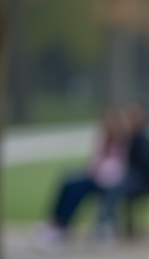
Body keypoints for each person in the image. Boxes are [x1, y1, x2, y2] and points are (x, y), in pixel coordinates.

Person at [35, 106, 130, 251]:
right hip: (95, 176)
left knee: (77, 188)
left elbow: (117, 167)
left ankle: (60, 226)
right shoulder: (103, 138)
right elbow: (94, 161)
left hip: (107, 181)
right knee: (68, 180)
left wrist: (97, 173)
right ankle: (55, 222)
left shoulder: (122, 140)